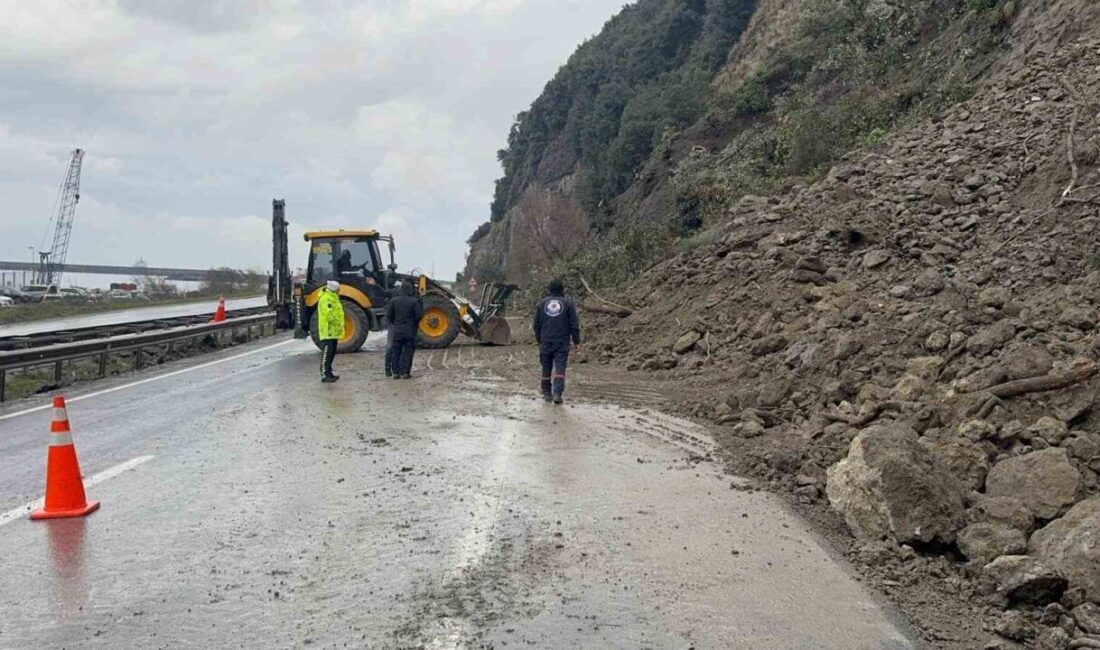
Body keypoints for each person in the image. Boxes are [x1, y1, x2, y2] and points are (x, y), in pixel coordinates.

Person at [533, 278, 580, 404]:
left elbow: (536, 324)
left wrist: (539, 339)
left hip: (545, 341)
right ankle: (557, 393)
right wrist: (576, 341)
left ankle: (547, 393)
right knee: (560, 368)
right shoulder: (568, 304)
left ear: (549, 290)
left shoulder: (541, 304)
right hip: (562, 341)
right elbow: (574, 325)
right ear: (562, 289)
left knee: (546, 367)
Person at [386, 282, 423, 379]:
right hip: (410, 331)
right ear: (410, 290)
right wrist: (413, 323)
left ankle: (395, 373)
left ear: (400, 290)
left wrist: (395, 323)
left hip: (397, 330)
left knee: (396, 351)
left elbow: (389, 315)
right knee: (408, 352)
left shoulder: (394, 301)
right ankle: (405, 373)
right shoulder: (414, 301)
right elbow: (419, 315)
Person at [317, 280, 344, 383]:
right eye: (338, 288)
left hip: (333, 331)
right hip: (328, 330)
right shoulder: (326, 299)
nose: (339, 290)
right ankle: (325, 374)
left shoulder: (334, 297)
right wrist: (337, 322)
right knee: (327, 353)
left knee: (331, 352)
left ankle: (329, 372)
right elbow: (329, 314)